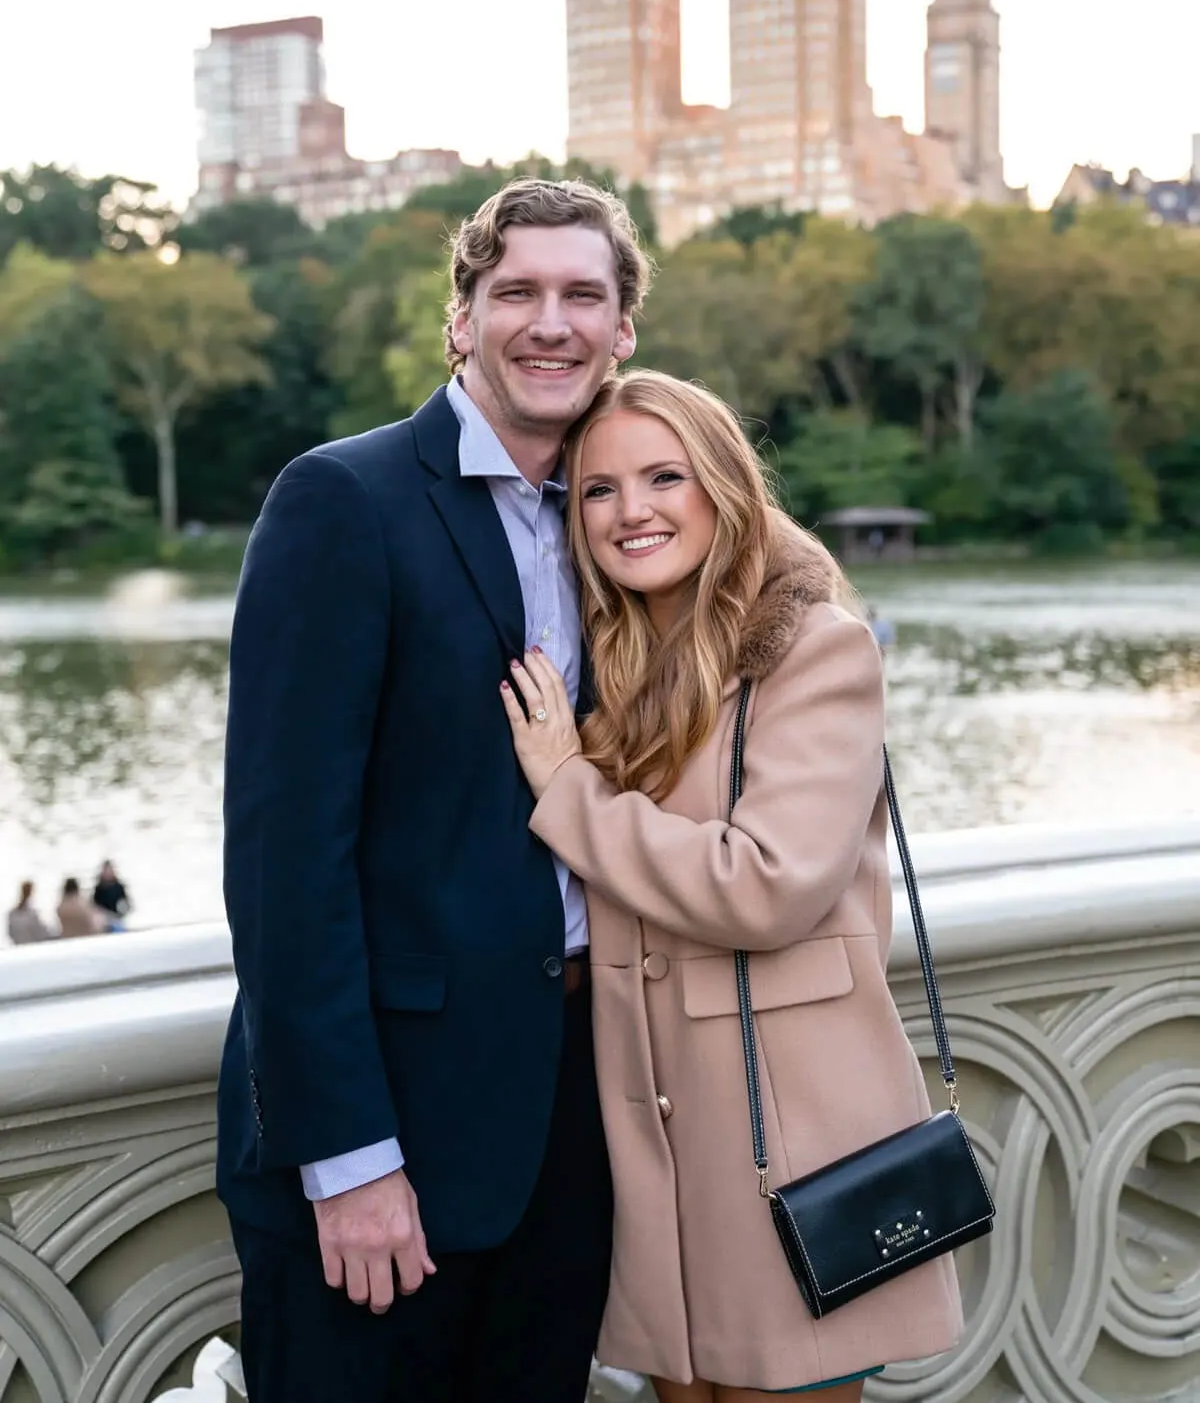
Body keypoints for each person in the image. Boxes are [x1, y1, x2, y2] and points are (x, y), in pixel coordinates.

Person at [216, 178, 651, 1403]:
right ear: (461, 317)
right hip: (385, 1134)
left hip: (570, 1120)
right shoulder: (341, 501)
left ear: (624, 330)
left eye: (583, 294)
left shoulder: (627, 517)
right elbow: (283, 860)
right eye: (516, 291)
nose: (549, 322)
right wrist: (347, 1155)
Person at [501, 371, 963, 1403]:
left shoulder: (815, 650)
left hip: (788, 1140)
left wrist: (568, 790)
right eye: (599, 490)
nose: (634, 511)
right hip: (660, 1148)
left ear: (723, 486)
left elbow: (770, 886)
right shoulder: (611, 658)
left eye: (665, 476)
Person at [7, 881, 54, 945]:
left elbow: (10, 933)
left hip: (18, 947)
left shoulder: (13, 913)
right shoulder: (31, 913)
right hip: (31, 947)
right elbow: (41, 932)